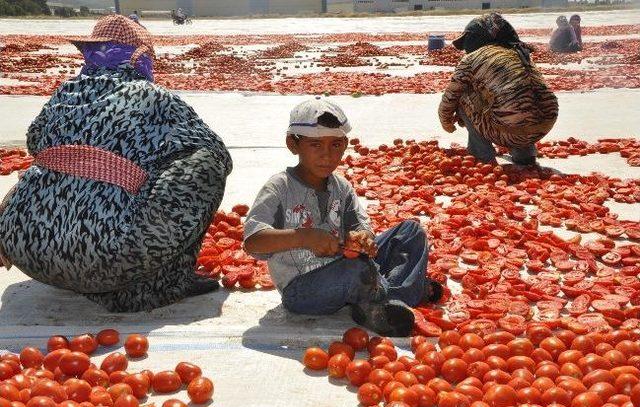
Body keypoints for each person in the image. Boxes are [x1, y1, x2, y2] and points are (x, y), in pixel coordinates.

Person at [0, 15, 232, 312]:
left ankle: (70, 262)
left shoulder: (66, 92)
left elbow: (37, 141)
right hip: (103, 261)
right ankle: (164, 281)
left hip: (28, 250)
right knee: (206, 163)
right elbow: (214, 151)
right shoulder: (152, 97)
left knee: (53, 164)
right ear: (140, 56)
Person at [243, 97, 442, 337]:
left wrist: (364, 237)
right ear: (293, 144)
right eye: (315, 145)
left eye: (335, 145)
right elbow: (253, 242)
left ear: (345, 145)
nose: (327, 155)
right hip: (303, 291)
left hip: (349, 269)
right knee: (355, 269)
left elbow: (358, 224)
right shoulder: (279, 188)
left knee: (410, 231)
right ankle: (391, 297)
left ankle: (384, 300)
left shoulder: (341, 187)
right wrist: (302, 237)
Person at [439, 13, 558, 166]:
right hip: (544, 125)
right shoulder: (522, 52)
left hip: (509, 130)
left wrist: (447, 124)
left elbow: (449, 98)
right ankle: (525, 155)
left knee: (461, 96)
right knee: (521, 98)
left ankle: (482, 155)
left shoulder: (472, 59)